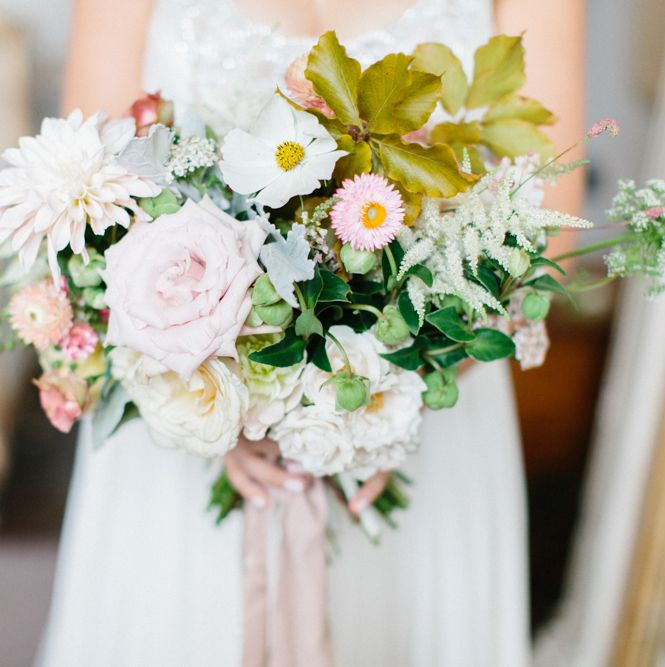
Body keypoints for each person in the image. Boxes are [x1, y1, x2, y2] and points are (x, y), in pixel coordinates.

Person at [39, 0, 584, 665]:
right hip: (181, 421)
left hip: (422, 414)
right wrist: (211, 398)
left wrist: (381, 388)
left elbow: (550, 219)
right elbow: (77, 193)